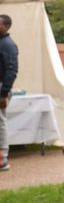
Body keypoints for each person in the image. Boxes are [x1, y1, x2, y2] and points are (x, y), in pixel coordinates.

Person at [0, 14, 19, 172]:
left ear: (6, 26)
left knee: (0, 123)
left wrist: (4, 93)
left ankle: (2, 158)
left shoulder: (8, 44)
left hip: (1, 89)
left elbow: (12, 70)